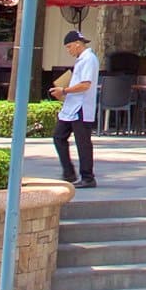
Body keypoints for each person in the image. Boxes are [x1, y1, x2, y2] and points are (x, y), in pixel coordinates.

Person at [50, 29, 100, 188]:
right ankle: (69, 172)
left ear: (78, 44)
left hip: (82, 107)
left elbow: (86, 84)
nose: (68, 50)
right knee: (58, 136)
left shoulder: (89, 59)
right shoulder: (81, 59)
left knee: (83, 142)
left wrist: (64, 91)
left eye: (69, 46)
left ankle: (88, 177)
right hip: (71, 106)